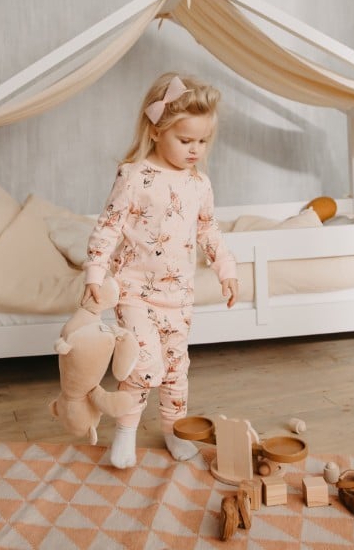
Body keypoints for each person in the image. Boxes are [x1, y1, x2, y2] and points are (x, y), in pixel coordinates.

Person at [83, 72, 239, 469]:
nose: (195, 150)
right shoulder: (134, 176)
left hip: (178, 297)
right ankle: (125, 432)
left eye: (203, 141)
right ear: (155, 130)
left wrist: (226, 271)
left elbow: (208, 230)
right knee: (142, 363)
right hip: (134, 292)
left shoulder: (199, 184)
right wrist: (95, 275)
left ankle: (174, 431)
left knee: (175, 369)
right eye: (186, 141)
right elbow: (109, 227)